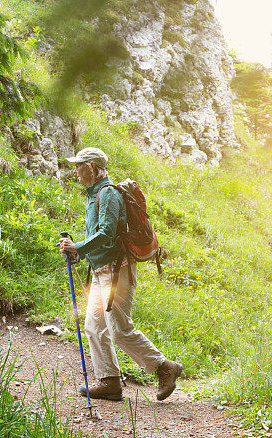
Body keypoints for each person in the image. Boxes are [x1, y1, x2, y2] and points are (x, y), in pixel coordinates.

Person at [58, 147, 183, 401]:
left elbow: (106, 233)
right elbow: (102, 238)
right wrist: (78, 253)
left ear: (92, 166)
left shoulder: (108, 194)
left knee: (119, 329)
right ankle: (109, 381)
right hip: (101, 271)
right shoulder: (93, 195)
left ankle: (165, 367)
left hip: (117, 272)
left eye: (79, 166)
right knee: (94, 327)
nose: (75, 171)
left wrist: (79, 247)